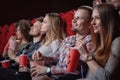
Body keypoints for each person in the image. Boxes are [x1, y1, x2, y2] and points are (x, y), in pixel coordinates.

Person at [30, 6, 92, 80]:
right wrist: (43, 57)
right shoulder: (68, 39)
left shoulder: (90, 41)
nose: (74, 20)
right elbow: (57, 58)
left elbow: (77, 70)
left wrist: (48, 70)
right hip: (55, 75)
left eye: (78, 18)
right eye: (74, 17)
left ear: (89, 23)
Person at [77, 3, 120, 80]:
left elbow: (106, 78)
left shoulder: (118, 42)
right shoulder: (99, 43)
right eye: (92, 18)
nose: (92, 22)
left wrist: (86, 56)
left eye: (97, 18)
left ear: (108, 21)